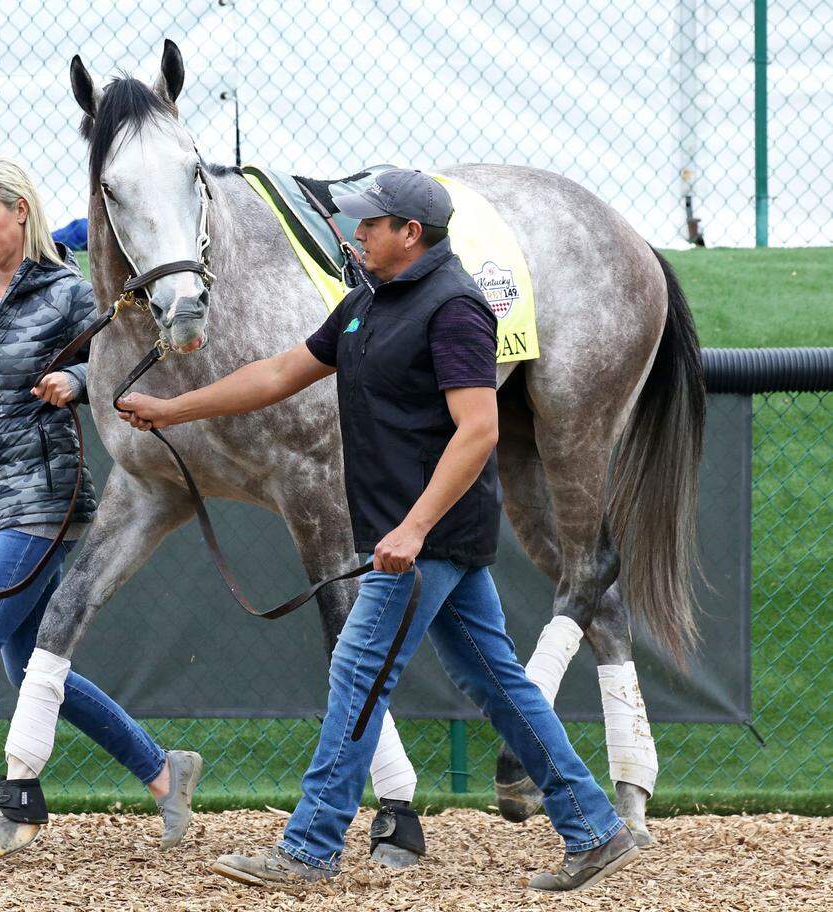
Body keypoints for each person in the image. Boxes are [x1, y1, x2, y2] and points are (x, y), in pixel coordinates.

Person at [116, 169, 639, 892]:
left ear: (410, 234)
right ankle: (593, 826)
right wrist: (173, 411)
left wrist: (415, 529)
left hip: (424, 538)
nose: (355, 233)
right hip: (414, 536)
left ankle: (309, 848)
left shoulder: (455, 308)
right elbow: (279, 372)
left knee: (359, 673)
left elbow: (479, 430)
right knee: (494, 679)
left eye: (368, 224)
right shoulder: (368, 300)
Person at [0, 157, 201, 858]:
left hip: (45, 500)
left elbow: (137, 356)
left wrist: (80, 378)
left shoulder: (65, 293)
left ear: (21, 211)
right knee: (32, 668)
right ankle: (162, 771)